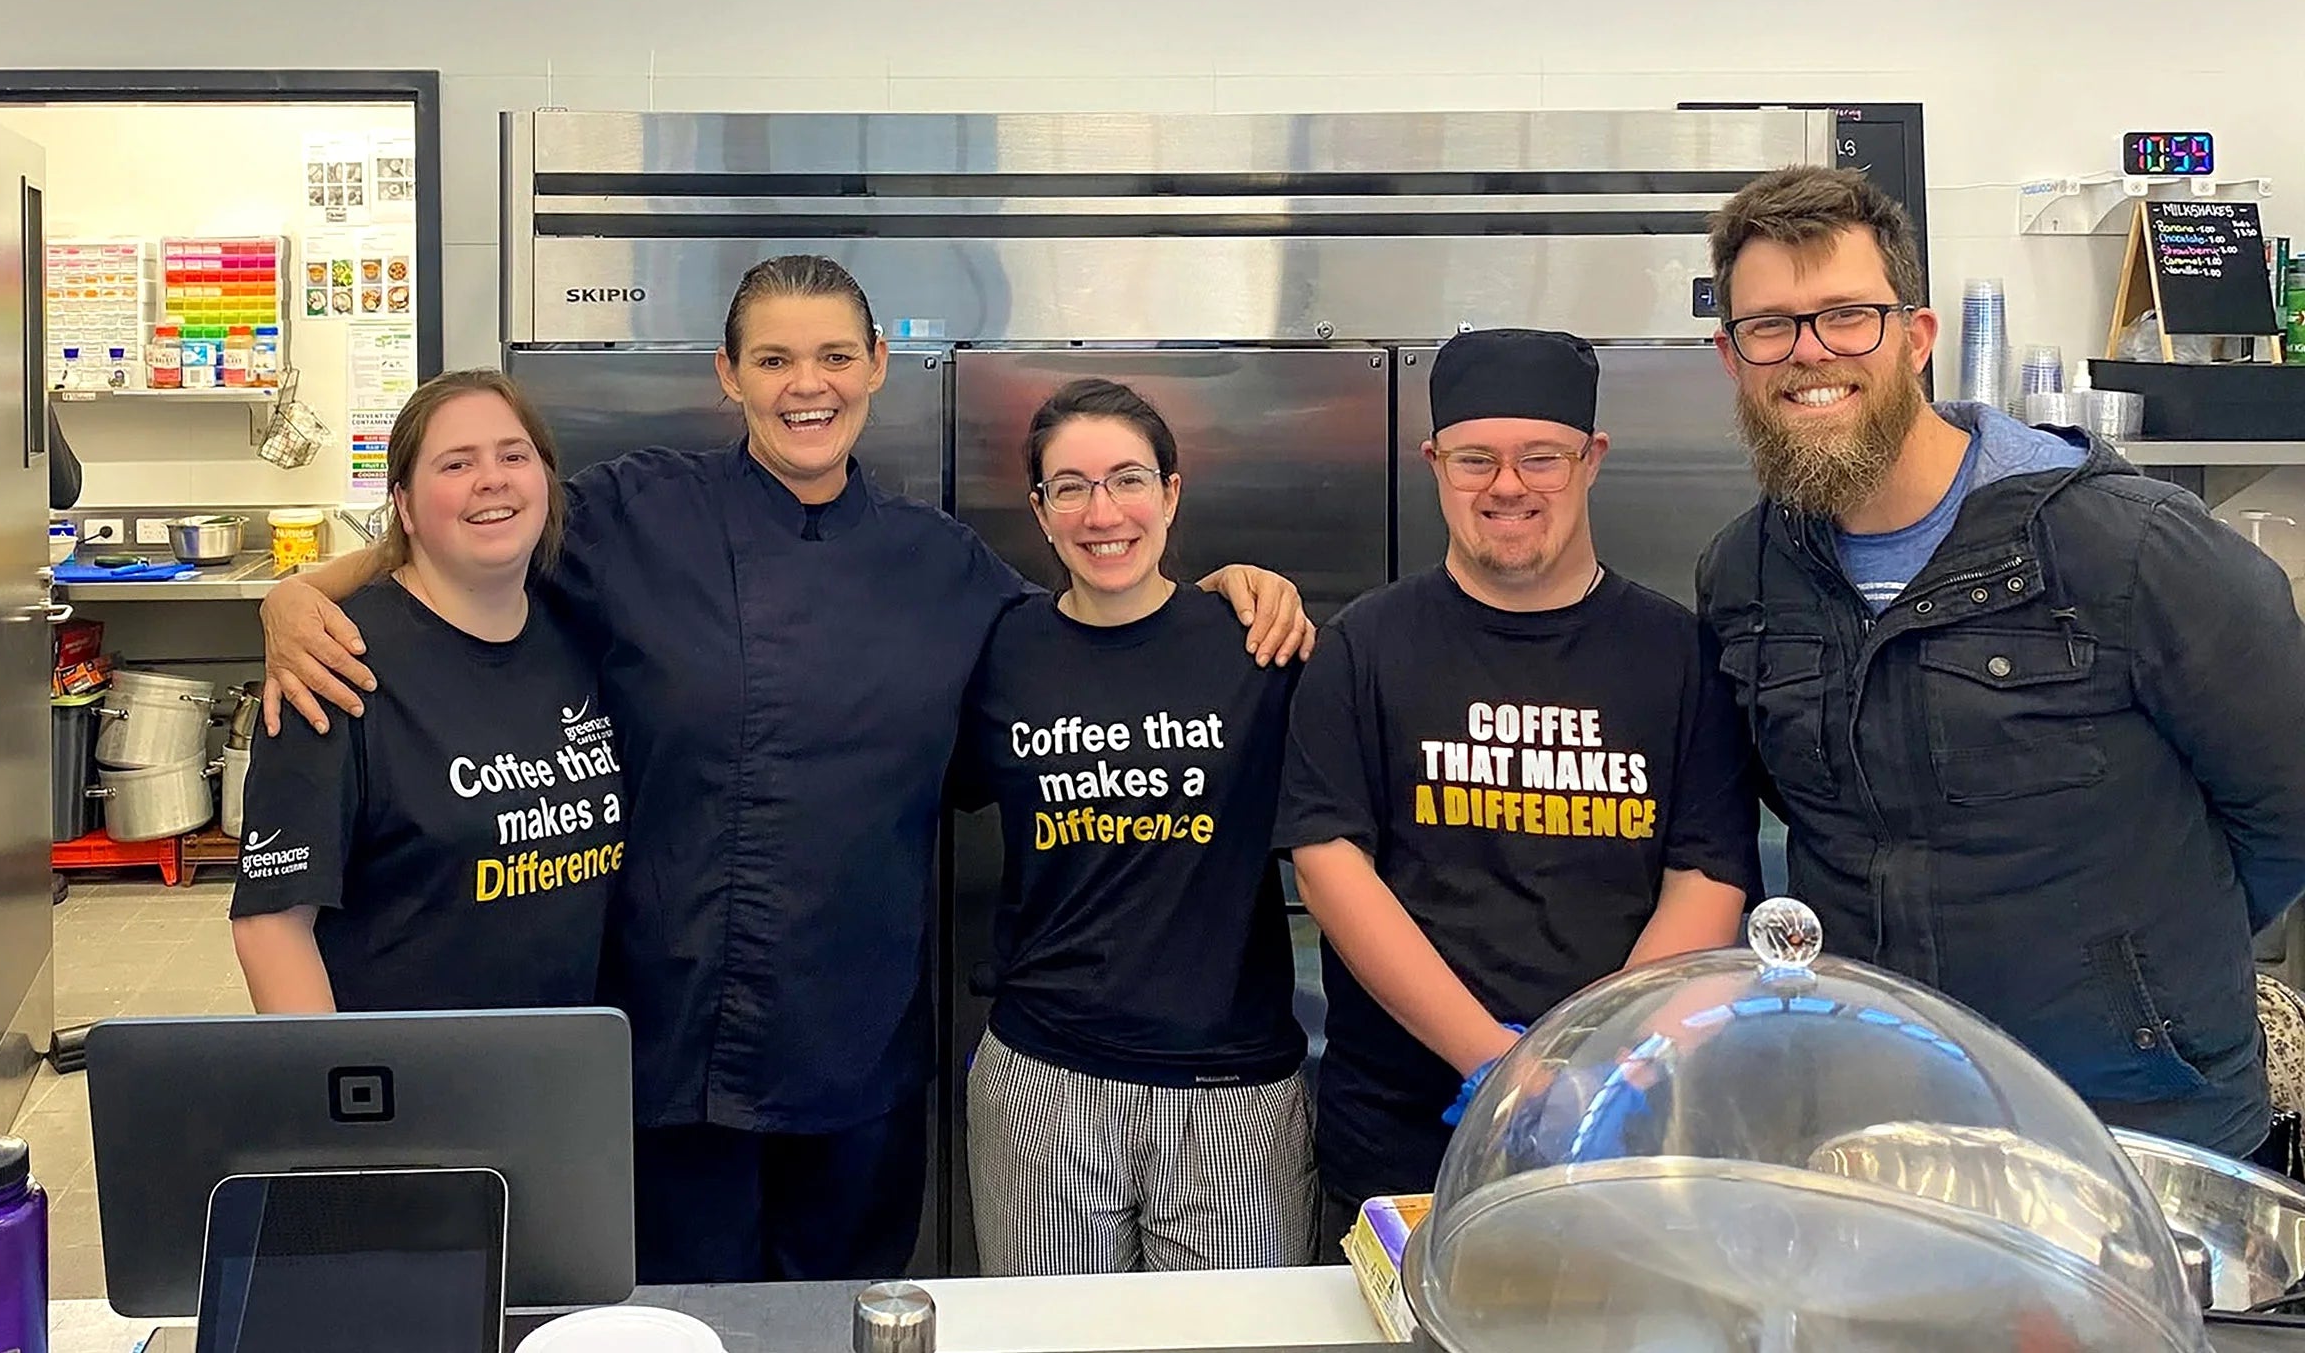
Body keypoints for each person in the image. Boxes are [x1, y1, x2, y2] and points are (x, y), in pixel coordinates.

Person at [256, 256, 1312, 1285]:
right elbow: (470, 532)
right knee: (690, 1318)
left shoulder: (939, 562)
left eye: (835, 356)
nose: (809, 384)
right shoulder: (635, 514)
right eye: (774, 360)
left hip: (860, 1048)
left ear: (877, 363)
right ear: (729, 374)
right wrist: (298, 592)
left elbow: (1092, 634)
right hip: (669, 1046)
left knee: (841, 1310)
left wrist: (1217, 597)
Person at [1695, 164, 2305, 1160]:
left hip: (2135, 1131)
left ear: (1917, 337)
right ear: (1733, 357)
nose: (1810, 352)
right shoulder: (1746, 576)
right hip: (1881, 1118)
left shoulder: (2131, 549)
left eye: (1847, 316)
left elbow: (2286, 813)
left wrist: (2138, 987)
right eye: (1771, 326)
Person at [1278, 327, 1759, 1253]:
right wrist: (1499, 1063)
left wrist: (1595, 1066)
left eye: (1541, 456)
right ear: (1434, 463)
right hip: (1402, 1142)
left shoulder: (1678, 656)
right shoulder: (1365, 648)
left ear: (1592, 459)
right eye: (1476, 460)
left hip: (1622, 1130)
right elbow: (1330, 862)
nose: (1507, 486)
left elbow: (1708, 876)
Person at [950, 378, 1315, 1275]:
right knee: (1051, 1341)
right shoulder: (998, 651)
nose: (1102, 512)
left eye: (1127, 479)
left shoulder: (1257, 643)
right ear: (1040, 511)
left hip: (1235, 1095)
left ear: (1171, 492)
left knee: (1237, 1343)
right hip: (1044, 1084)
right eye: (1070, 487)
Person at [230, 369, 622, 1014]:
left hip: (568, 1057)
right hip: (406, 1065)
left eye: (513, 456)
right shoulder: (333, 661)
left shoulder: (580, 632)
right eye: (456, 464)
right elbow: (272, 925)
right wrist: (336, 1075)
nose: (491, 479)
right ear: (405, 507)